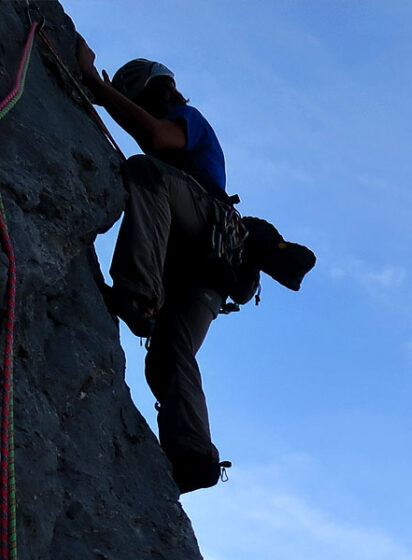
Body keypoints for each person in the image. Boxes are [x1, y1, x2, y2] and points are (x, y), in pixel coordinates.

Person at [76, 37, 315, 493]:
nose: (148, 106)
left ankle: (138, 295)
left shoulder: (189, 120)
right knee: (167, 356)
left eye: (144, 98)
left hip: (204, 228)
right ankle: (193, 456)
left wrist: (97, 86)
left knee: (146, 173)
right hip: (207, 270)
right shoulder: (169, 129)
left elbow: (156, 138)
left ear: (159, 91)